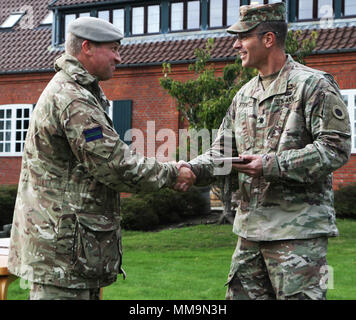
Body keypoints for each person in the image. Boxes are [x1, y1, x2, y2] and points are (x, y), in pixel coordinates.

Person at [8, 17, 195, 300]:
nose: (119, 58)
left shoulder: (78, 91)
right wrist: (172, 173)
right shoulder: (73, 99)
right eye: (113, 49)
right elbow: (116, 166)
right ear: (87, 48)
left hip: (67, 253)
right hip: (62, 257)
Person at [178, 2, 351, 299]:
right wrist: (190, 169)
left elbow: (335, 149)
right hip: (249, 233)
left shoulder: (313, 86)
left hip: (297, 233)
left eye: (243, 37)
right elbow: (221, 151)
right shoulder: (244, 95)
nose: (236, 45)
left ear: (268, 39)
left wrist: (270, 164)